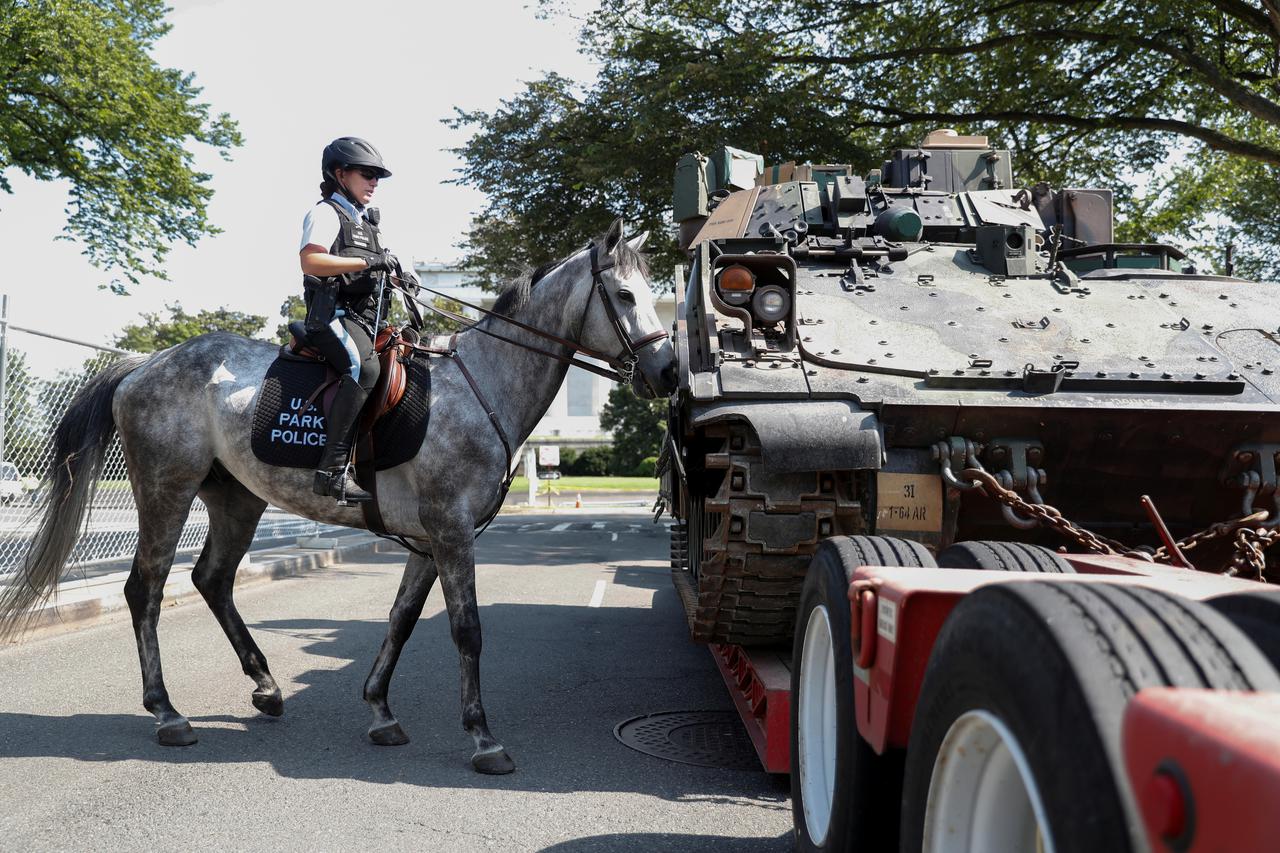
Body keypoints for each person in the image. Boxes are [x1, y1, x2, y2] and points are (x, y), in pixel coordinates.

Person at [298, 136, 399, 502]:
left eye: (377, 176)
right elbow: (311, 261)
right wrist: (367, 262)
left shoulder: (368, 224)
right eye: (367, 174)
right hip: (332, 317)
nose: (374, 182)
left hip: (366, 319)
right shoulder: (326, 213)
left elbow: (378, 267)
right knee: (363, 368)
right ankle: (332, 471)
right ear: (341, 174)